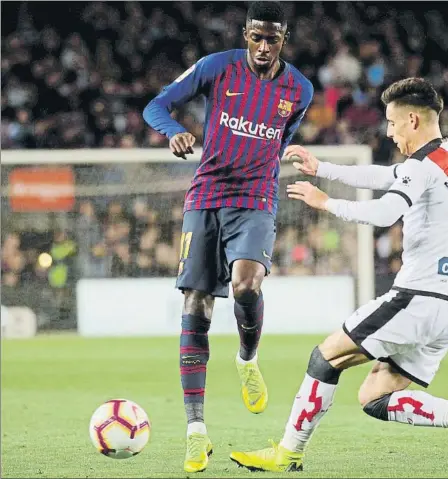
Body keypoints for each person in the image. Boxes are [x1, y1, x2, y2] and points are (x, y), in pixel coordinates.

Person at [229, 78, 448, 472]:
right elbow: (384, 176)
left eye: (392, 123)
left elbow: (382, 213)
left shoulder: (423, 165)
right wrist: (322, 167)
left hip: (417, 299)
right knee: (376, 396)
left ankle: (287, 453)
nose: (390, 133)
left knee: (325, 358)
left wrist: (327, 203)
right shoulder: (447, 157)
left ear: (412, 119)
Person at [142, 1, 313, 473]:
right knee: (196, 305)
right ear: (245, 34)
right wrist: (174, 131)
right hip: (205, 197)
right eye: (256, 37)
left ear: (284, 39)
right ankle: (196, 433)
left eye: (272, 39)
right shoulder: (217, 68)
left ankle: (246, 358)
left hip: (256, 198)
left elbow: (280, 140)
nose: (262, 46)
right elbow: (156, 105)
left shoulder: (299, 89)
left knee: (246, 283)